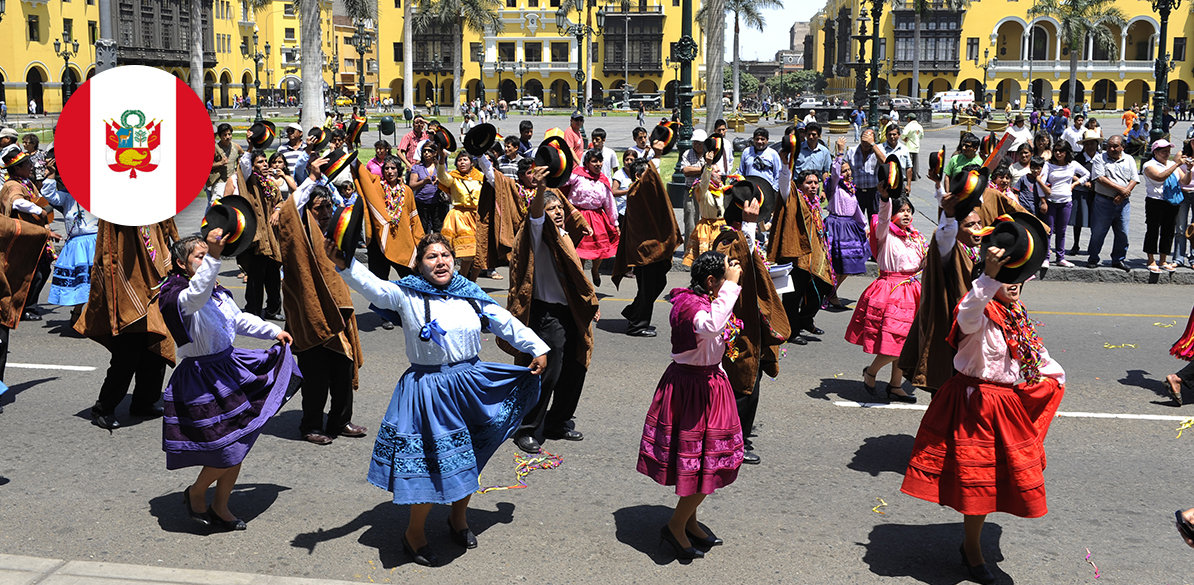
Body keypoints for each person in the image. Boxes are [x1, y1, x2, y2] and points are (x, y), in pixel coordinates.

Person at [325, 231, 548, 567]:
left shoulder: (470, 294)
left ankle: (458, 519)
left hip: (471, 385)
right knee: (430, 464)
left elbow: (503, 321)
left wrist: (536, 346)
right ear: (419, 264)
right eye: (432, 256)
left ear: (454, 261)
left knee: (470, 455)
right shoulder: (406, 295)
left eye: (445, 255)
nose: (440, 262)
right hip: (428, 391)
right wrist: (347, 265)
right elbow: (374, 288)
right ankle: (414, 534)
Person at [902, 244, 1064, 585]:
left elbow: (1036, 358)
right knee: (978, 482)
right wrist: (990, 277)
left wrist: (1053, 379)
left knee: (995, 483)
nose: (1014, 282)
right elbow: (969, 311)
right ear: (989, 278)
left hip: (1002, 407)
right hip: (971, 406)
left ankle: (970, 545)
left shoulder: (1016, 313)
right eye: (1007, 276)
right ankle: (973, 552)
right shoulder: (977, 309)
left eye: (1019, 276)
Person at [159, 231, 298, 531]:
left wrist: (272, 331)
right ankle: (197, 491)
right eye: (199, 255)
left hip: (228, 369)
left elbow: (238, 319)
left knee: (239, 443)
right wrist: (214, 255)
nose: (206, 257)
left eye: (205, 254)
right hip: (200, 380)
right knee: (226, 448)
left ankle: (220, 504)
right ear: (182, 264)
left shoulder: (219, 293)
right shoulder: (178, 296)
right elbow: (198, 292)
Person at [636, 250, 746, 561]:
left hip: (710, 385)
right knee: (702, 464)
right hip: (692, 390)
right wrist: (731, 286)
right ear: (712, 282)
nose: (731, 282)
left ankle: (689, 521)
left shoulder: (704, 300)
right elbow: (711, 326)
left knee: (705, 463)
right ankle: (675, 525)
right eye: (725, 278)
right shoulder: (690, 307)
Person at [504, 167, 600, 453]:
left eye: (560, 206)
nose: (557, 212)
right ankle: (527, 429)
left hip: (571, 312)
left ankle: (558, 421)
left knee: (576, 367)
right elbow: (535, 216)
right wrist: (541, 188)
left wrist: (589, 304)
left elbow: (576, 278)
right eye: (551, 207)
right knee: (548, 371)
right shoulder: (537, 234)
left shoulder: (565, 235)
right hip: (546, 315)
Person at [76, 219, 178, 430]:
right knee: (127, 355)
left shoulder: (156, 207)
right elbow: (110, 254)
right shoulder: (117, 211)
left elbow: (167, 234)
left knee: (156, 349)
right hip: (128, 288)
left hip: (155, 284)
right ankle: (104, 408)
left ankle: (144, 401)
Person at [846, 162, 925, 403]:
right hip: (890, 291)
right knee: (896, 344)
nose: (907, 215)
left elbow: (922, 263)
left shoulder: (917, 237)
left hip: (912, 291)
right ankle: (871, 372)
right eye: (902, 211)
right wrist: (884, 198)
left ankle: (895, 385)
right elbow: (883, 216)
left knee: (906, 343)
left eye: (909, 211)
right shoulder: (884, 233)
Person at [897, 189, 987, 393]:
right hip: (948, 332)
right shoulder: (949, 250)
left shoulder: (976, 250)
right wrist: (948, 215)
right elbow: (944, 236)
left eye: (979, 223)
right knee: (946, 392)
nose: (977, 228)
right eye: (970, 225)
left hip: (970, 332)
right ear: (957, 229)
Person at [614, 158, 681, 338]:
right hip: (645, 252)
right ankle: (637, 325)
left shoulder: (642, 192)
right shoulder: (637, 192)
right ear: (638, 176)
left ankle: (634, 312)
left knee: (656, 284)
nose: (655, 179)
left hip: (649, 250)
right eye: (649, 175)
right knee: (649, 287)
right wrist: (657, 153)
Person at [769, 169, 835, 346]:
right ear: (799, 186)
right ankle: (792, 331)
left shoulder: (815, 204)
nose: (813, 186)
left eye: (815, 183)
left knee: (819, 291)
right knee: (792, 298)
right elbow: (784, 186)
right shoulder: (794, 199)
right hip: (796, 258)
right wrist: (785, 164)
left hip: (814, 260)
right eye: (809, 183)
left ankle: (805, 320)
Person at [40, 150, 97, 321]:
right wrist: (50, 176)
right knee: (80, 284)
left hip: (97, 242)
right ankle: (77, 313)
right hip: (77, 246)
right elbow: (49, 195)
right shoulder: (67, 197)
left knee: (98, 283)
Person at [359, 157, 425, 285]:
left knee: (412, 281)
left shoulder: (407, 191)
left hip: (402, 242)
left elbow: (414, 219)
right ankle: (382, 306)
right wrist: (350, 153)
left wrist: (420, 243)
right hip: (381, 242)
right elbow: (363, 176)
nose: (390, 171)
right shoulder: (377, 187)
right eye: (386, 168)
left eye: (393, 168)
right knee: (379, 283)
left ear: (399, 170)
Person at [563, 149, 619, 286]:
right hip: (578, 216)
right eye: (594, 161)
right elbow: (561, 182)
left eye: (600, 161)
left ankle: (595, 269)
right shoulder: (577, 176)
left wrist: (615, 223)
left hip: (597, 218)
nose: (598, 164)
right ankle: (580, 279)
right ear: (587, 163)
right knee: (579, 251)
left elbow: (609, 203)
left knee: (599, 249)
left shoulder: (603, 181)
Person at [240, 152, 285, 318]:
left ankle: (273, 310)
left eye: (266, 161)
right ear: (252, 167)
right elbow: (244, 163)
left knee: (273, 275)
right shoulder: (247, 183)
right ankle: (253, 312)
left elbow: (280, 201)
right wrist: (252, 145)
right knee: (255, 277)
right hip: (256, 239)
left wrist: (278, 211)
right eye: (260, 162)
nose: (266, 164)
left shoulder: (270, 184)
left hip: (272, 238)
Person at [824, 142, 868, 307]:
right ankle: (830, 293)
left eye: (849, 170)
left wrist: (864, 226)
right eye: (844, 171)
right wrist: (840, 153)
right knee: (837, 264)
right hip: (836, 226)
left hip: (849, 227)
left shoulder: (851, 189)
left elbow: (856, 209)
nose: (848, 173)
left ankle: (831, 291)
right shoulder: (834, 187)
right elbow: (834, 174)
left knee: (850, 263)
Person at [1087, 135, 1138, 270]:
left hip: (1123, 203)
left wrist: (1123, 194)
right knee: (1098, 231)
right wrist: (1122, 190)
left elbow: (1134, 179)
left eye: (1115, 146)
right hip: (1103, 201)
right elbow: (1100, 178)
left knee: (1123, 232)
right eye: (1109, 146)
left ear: (1123, 147)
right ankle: (1093, 257)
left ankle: (1118, 259)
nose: (1111, 149)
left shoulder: (1129, 159)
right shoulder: (1100, 158)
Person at [1142, 139, 1189, 272]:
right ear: (1155, 152)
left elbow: (1184, 181)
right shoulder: (1149, 165)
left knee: (1168, 232)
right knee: (1153, 230)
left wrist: (1189, 170)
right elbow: (1159, 177)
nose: (1167, 154)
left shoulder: (1172, 164)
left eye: (1168, 151)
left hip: (1171, 202)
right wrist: (1177, 164)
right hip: (1155, 201)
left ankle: (1163, 259)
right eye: (1163, 151)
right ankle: (1151, 259)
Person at [437, 148, 485, 278]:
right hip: (459, 217)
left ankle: (473, 281)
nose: (462, 162)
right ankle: (463, 279)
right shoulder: (453, 177)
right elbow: (441, 177)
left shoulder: (481, 177)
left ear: (472, 163)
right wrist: (442, 159)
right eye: (459, 160)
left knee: (480, 254)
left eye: (465, 159)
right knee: (467, 253)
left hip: (477, 217)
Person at [1068, 130, 1101, 258]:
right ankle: (1075, 244)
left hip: (1097, 193)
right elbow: (1071, 173)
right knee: (1078, 220)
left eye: (1093, 143)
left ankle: (1092, 246)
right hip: (1081, 192)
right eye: (1087, 144)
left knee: (1096, 221)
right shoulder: (1078, 158)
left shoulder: (1100, 158)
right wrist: (1083, 182)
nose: (1090, 146)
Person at [409, 144, 446, 234]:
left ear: (435, 153)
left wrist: (440, 181)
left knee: (439, 230)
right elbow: (412, 185)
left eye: (429, 151)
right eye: (424, 151)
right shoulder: (417, 168)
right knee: (423, 230)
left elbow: (447, 182)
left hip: (438, 203)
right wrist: (423, 182)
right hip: (422, 204)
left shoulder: (440, 166)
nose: (426, 153)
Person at [739, 128, 783, 193]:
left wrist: (774, 190)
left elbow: (778, 174)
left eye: (762, 139)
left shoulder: (773, 154)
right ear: (753, 140)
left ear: (767, 140)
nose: (759, 142)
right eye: (757, 139)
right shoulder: (747, 152)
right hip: (750, 189)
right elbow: (741, 172)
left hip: (767, 190)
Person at [611, 150, 636, 227]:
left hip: (636, 210)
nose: (628, 162)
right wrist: (628, 191)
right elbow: (613, 192)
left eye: (631, 160)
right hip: (623, 211)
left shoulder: (637, 173)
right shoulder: (619, 174)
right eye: (626, 159)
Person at [901, 114, 924, 181]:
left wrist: (904, 138)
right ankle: (915, 176)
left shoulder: (909, 126)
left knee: (909, 162)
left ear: (909, 119)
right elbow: (921, 136)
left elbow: (903, 134)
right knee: (915, 162)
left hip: (909, 146)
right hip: (916, 146)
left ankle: (908, 176)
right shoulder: (919, 126)